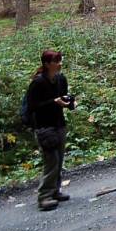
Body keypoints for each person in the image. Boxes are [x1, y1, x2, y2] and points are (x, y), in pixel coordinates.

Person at [26, 50, 76, 211]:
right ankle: (44, 196)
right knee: (51, 161)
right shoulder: (38, 83)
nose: (59, 63)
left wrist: (69, 103)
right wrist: (53, 102)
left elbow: (63, 99)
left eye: (60, 60)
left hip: (59, 124)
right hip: (43, 127)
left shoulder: (61, 79)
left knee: (59, 160)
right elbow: (32, 106)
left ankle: (55, 191)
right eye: (56, 61)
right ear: (47, 64)